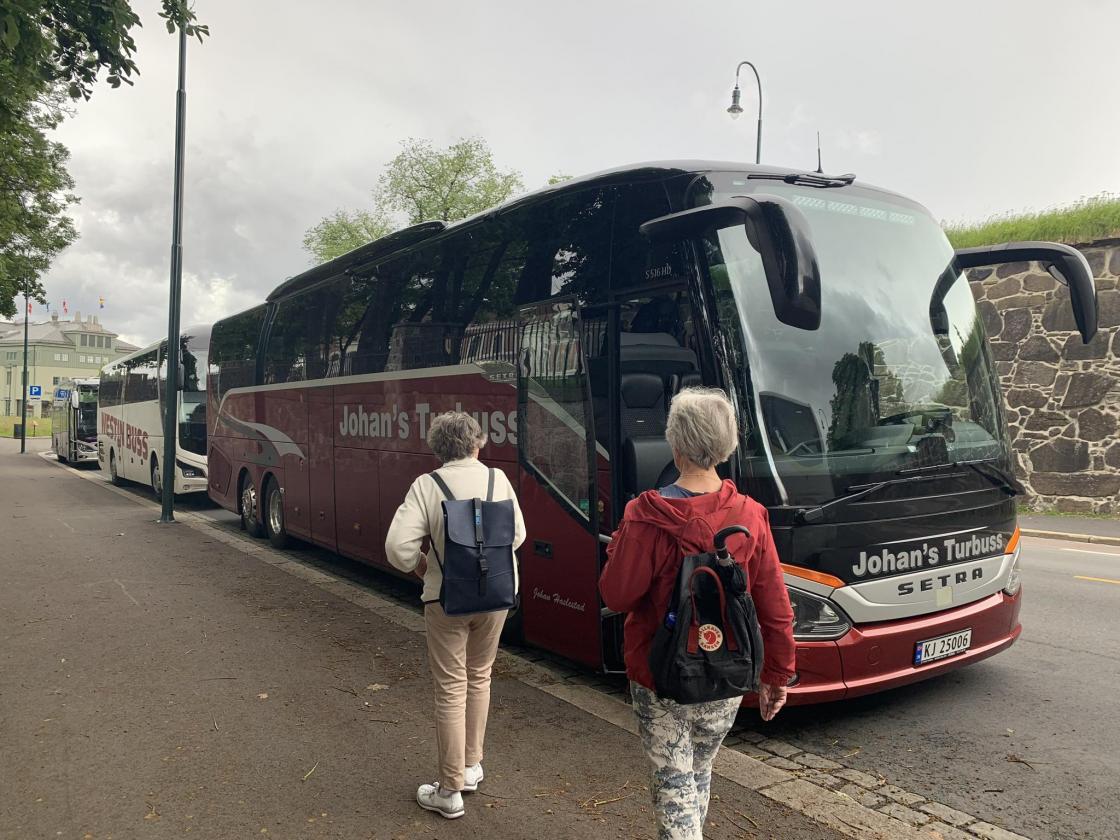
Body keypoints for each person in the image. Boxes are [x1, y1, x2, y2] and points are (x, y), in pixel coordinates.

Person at [599, 387, 796, 840]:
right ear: (726, 445)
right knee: (699, 769)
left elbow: (618, 594)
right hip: (726, 670)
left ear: (675, 443)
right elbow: (774, 603)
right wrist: (777, 675)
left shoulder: (647, 515)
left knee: (673, 781)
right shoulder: (750, 514)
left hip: (660, 671)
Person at [385, 411, 525, 820]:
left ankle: (448, 791)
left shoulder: (427, 486)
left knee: (450, 687)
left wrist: (422, 562)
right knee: (480, 675)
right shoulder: (499, 480)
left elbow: (397, 548)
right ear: (478, 444)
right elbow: (517, 535)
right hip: (497, 596)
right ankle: (470, 767)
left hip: (446, 598)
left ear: (438, 449)